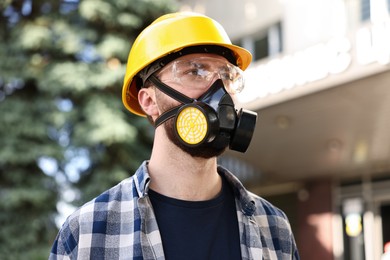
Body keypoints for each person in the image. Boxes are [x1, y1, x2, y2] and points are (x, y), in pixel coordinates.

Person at [50, 12, 300, 259]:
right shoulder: (87, 233)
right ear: (149, 101)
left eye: (227, 76)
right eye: (195, 71)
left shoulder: (274, 228)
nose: (221, 91)